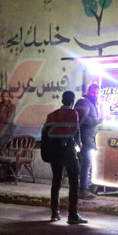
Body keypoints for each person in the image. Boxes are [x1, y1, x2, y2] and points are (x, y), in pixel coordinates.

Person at [43, 91, 88, 224]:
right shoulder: (73, 113)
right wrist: (79, 146)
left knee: (56, 180)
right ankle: (72, 215)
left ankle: (54, 213)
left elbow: (44, 132)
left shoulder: (52, 115)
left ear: (62, 100)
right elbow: (76, 132)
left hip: (54, 150)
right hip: (68, 150)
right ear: (72, 100)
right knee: (74, 180)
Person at [74, 84, 102, 199]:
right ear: (88, 91)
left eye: (97, 93)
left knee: (86, 164)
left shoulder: (91, 103)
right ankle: (83, 189)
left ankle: (83, 187)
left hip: (88, 138)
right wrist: (97, 120)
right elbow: (81, 119)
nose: (95, 95)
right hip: (84, 138)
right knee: (86, 163)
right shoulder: (83, 102)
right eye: (93, 92)